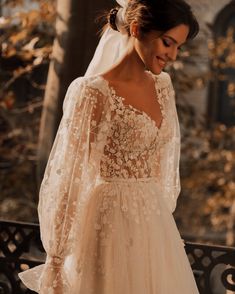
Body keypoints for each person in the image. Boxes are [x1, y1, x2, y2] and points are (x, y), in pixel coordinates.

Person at [19, 0, 200, 293]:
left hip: (154, 226)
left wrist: (161, 224)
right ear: (139, 29)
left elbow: (164, 162)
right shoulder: (91, 92)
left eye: (178, 46)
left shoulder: (163, 86)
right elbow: (68, 179)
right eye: (168, 43)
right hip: (108, 225)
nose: (173, 55)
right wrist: (56, 258)